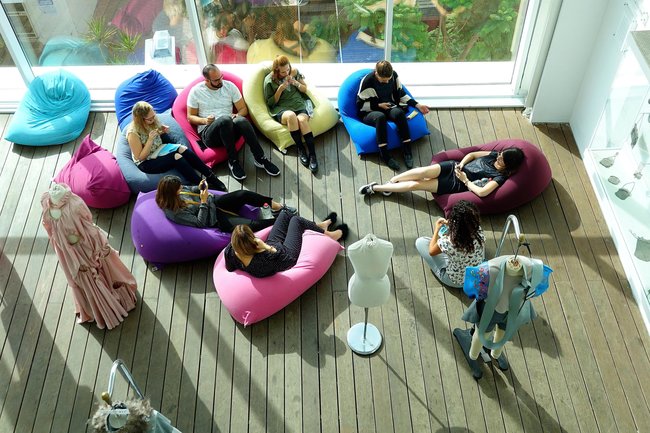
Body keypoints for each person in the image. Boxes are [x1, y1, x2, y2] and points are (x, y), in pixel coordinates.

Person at [187, 63, 280, 181]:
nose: (221, 81)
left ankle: (260, 158)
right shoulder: (196, 91)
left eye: (221, 77)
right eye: (216, 80)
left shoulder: (230, 86)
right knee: (224, 120)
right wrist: (205, 120)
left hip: (229, 129)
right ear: (206, 80)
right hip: (210, 133)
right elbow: (190, 117)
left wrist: (237, 115)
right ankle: (233, 161)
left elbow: (243, 109)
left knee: (241, 121)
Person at [127, 101, 227, 192]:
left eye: (154, 116)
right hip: (147, 161)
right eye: (150, 119)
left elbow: (157, 133)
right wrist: (150, 140)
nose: (153, 119)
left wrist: (162, 130)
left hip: (158, 149)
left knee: (183, 149)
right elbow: (140, 157)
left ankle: (211, 176)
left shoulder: (152, 120)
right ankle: (199, 184)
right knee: (176, 157)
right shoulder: (133, 133)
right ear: (140, 120)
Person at [358, 146, 525, 197]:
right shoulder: (494, 155)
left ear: (508, 165)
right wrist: (461, 164)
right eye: (500, 154)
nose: (498, 157)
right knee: (422, 171)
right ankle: (392, 182)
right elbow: (473, 154)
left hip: (456, 183)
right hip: (454, 167)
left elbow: (482, 192)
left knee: (416, 185)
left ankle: (375, 188)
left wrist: (465, 180)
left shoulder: (499, 177)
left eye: (502, 159)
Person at [224, 210, 349, 278]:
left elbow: (230, 268)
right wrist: (264, 246)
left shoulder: (229, 252)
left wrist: (262, 245)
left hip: (272, 246)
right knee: (296, 221)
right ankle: (331, 236)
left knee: (285, 214)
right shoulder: (260, 262)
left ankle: (319, 226)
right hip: (286, 256)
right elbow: (277, 252)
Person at [357, 60, 430, 171]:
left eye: (389, 79)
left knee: (399, 113)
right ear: (376, 73)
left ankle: (407, 150)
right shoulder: (367, 82)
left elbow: (401, 94)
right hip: (369, 111)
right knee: (380, 117)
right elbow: (360, 105)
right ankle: (385, 154)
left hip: (388, 106)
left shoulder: (394, 75)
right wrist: (378, 105)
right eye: (383, 80)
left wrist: (417, 105)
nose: (387, 82)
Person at [155, 175, 296, 232]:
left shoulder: (178, 189)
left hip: (213, 202)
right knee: (250, 225)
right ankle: (283, 220)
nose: (182, 188)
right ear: (171, 193)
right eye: (179, 188)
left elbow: (190, 189)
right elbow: (200, 223)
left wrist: (199, 187)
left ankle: (276, 206)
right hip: (213, 218)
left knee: (243, 194)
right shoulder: (175, 212)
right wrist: (203, 202)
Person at [264, 55, 318, 173]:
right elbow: (271, 103)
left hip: (298, 104)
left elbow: (304, 89)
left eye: (287, 69)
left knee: (302, 120)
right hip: (281, 108)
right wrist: (280, 89)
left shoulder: (294, 72)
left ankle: (312, 154)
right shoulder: (269, 81)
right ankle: (301, 149)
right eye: (283, 72)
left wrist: (296, 83)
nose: (286, 73)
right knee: (291, 116)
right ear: (276, 71)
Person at [415, 200, 485, 288]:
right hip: (476, 276)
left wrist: (437, 229)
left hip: (456, 281)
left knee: (420, 242)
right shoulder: (478, 231)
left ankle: (442, 271)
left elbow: (431, 251)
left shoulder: (449, 241)